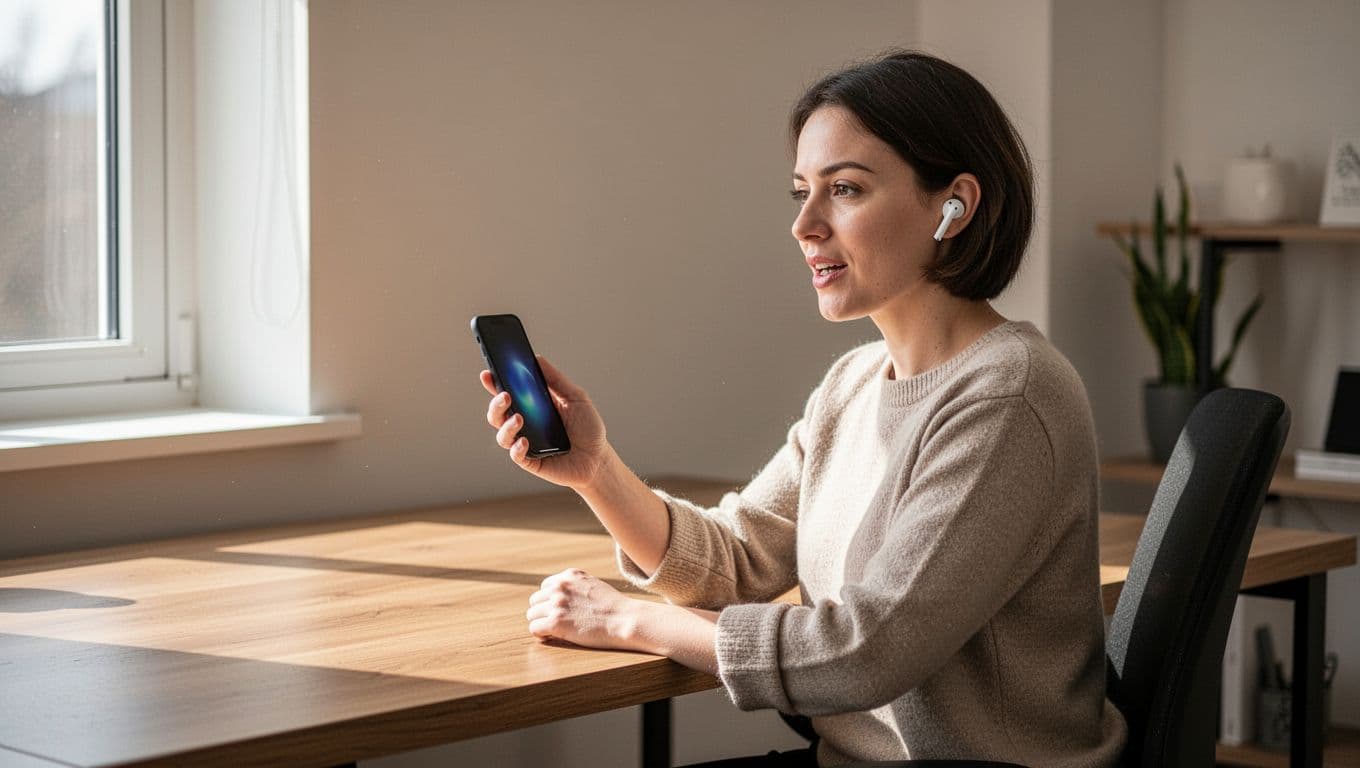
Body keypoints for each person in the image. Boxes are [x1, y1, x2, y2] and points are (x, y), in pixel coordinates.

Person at [481, 50, 1127, 767]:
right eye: (801, 193)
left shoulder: (1009, 394)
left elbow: (863, 652)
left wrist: (628, 620)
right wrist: (596, 471)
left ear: (955, 207)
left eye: (845, 189)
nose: (806, 226)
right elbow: (737, 560)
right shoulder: (852, 384)